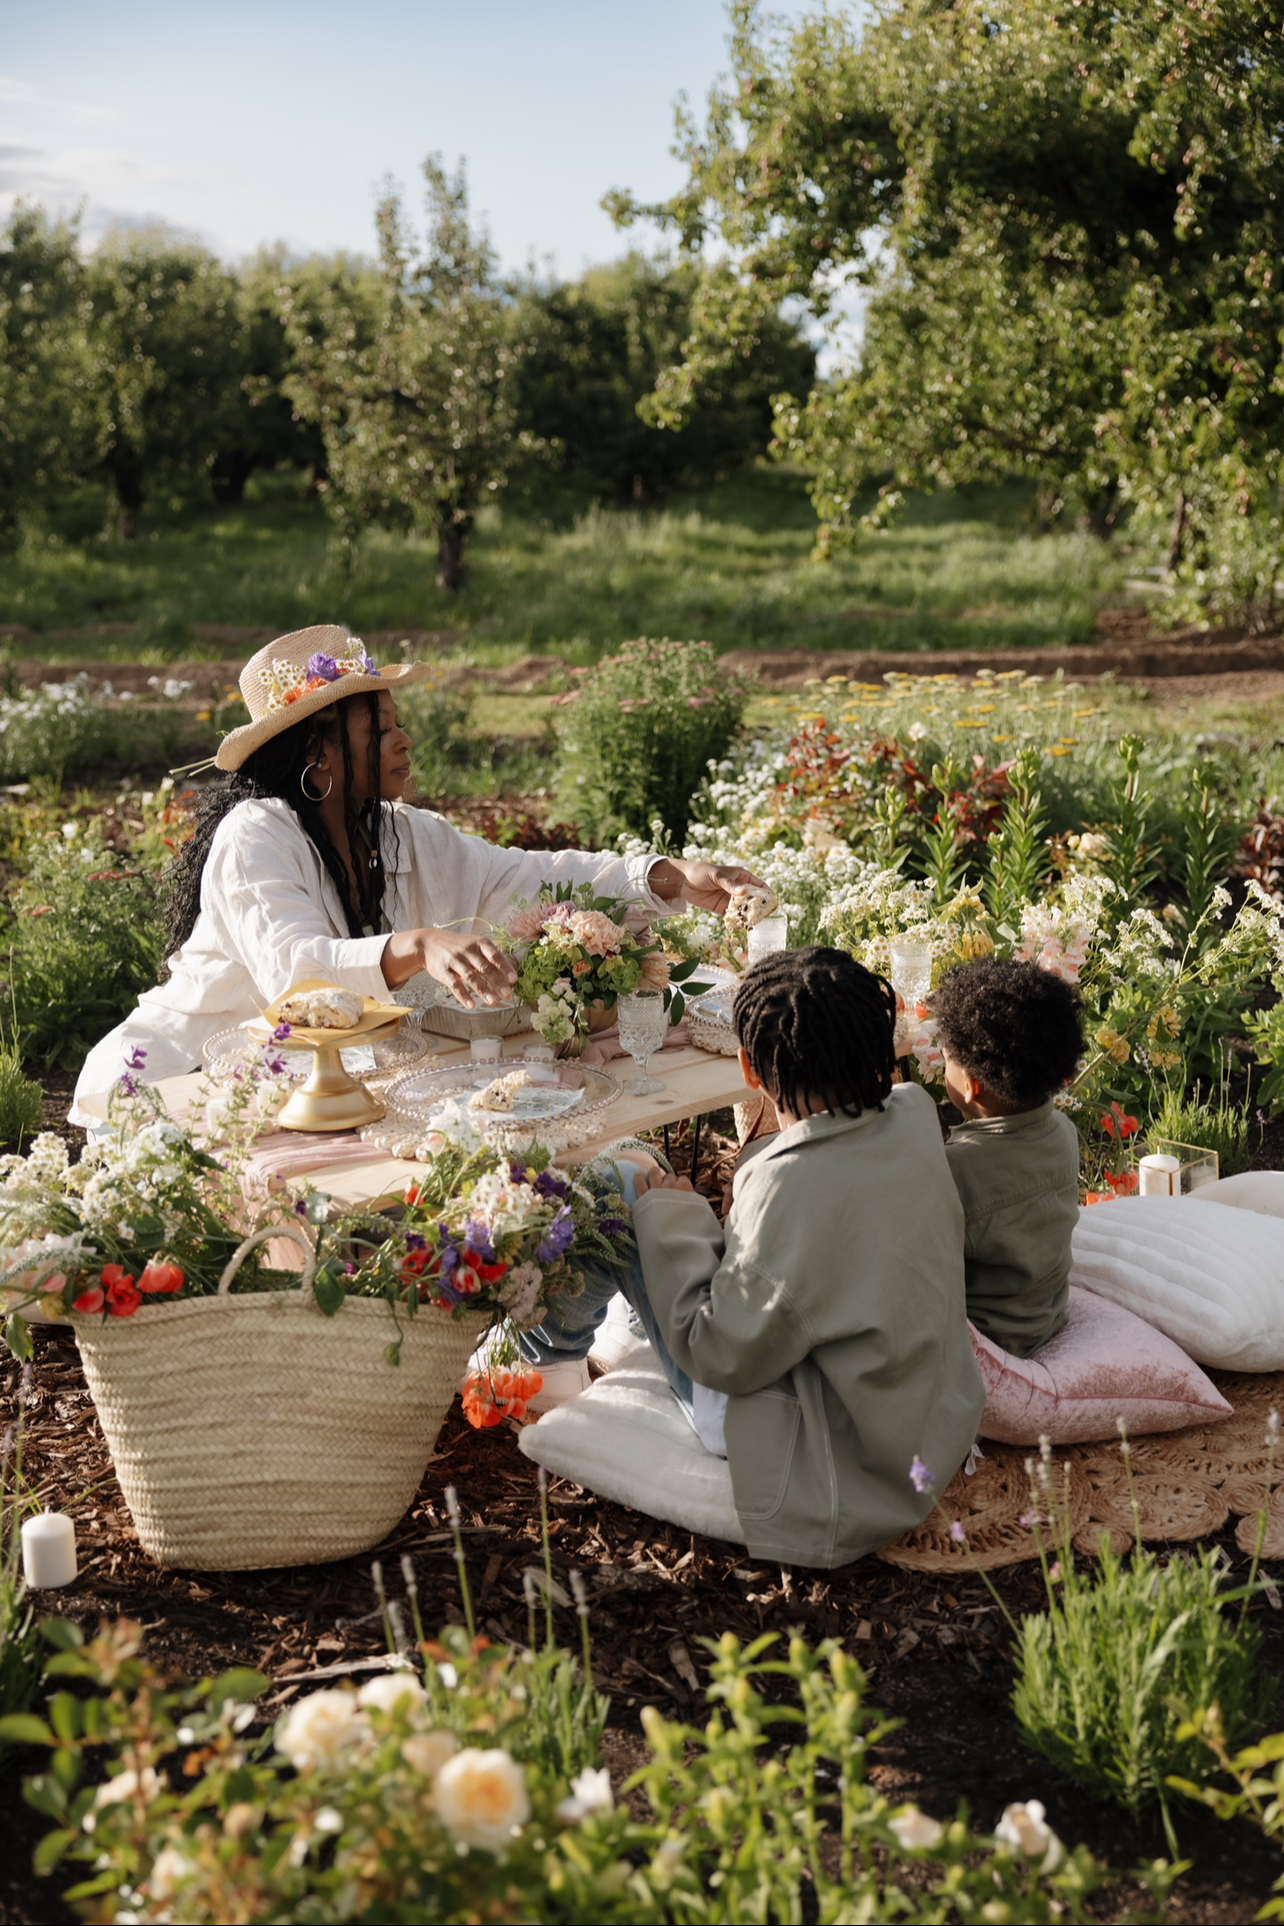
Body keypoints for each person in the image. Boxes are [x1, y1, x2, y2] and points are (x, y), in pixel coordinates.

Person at [70, 625, 759, 1125]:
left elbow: (532, 876)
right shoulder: (257, 837)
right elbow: (298, 975)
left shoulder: (398, 832)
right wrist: (419, 945)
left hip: (309, 1095)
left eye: (398, 725)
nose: (404, 741)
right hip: (174, 1091)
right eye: (381, 730)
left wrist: (667, 878)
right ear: (321, 752)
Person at [541, 947, 986, 1569]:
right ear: (882, 1050)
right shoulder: (914, 1115)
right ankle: (620, 1332)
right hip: (919, 1415)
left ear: (749, 1068)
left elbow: (723, 1354)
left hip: (813, 1435)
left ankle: (547, 1365)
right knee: (652, 1186)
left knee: (621, 1180)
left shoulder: (784, 1185)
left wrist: (680, 1219)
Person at [931, 955, 1084, 1357]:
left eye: (947, 1057)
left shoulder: (957, 1168)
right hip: (1045, 1316)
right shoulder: (1064, 1133)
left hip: (986, 1340)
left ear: (971, 1084)